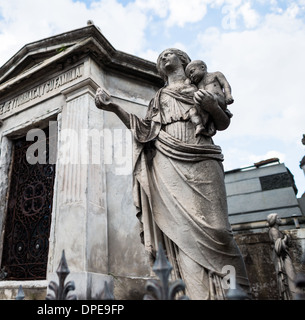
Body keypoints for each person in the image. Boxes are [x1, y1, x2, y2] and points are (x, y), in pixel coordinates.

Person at [95, 48, 249, 299]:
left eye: (168, 54)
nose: (163, 58)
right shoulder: (158, 98)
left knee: (219, 230)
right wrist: (113, 106)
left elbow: (222, 123)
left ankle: (236, 290)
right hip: (166, 158)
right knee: (180, 234)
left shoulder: (205, 83)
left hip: (201, 155)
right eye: (160, 57)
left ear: (184, 60)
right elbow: (143, 129)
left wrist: (211, 105)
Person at [185, 60, 234, 136]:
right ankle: (200, 125)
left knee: (205, 96)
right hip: (205, 104)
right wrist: (187, 80)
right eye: (189, 76)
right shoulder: (197, 84)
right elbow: (186, 85)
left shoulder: (215, 74)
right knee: (192, 111)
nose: (191, 76)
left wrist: (228, 95)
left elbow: (225, 84)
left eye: (192, 71)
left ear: (202, 67)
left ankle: (210, 122)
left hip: (218, 99)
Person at [267, 213, 298, 300]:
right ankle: (292, 295)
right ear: (274, 220)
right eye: (278, 218)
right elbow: (278, 246)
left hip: (284, 256)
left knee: (291, 275)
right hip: (281, 258)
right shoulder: (273, 230)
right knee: (290, 275)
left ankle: (291, 295)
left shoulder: (276, 230)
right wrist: (285, 239)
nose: (280, 219)